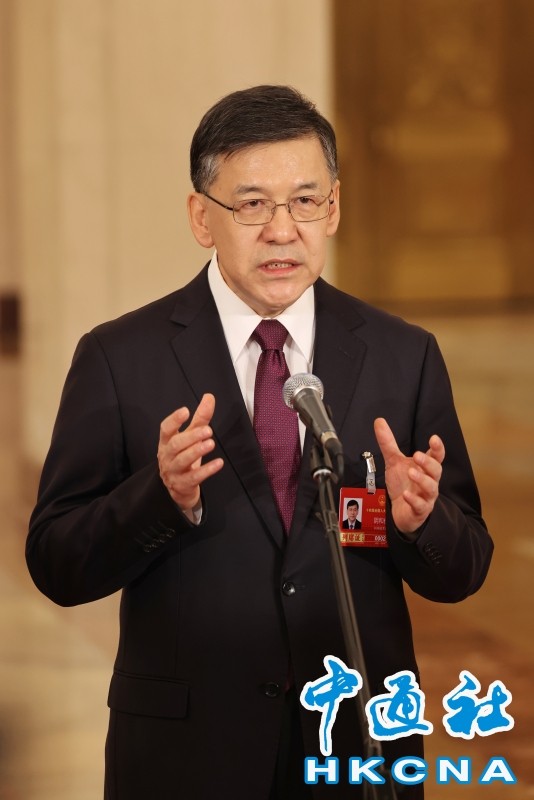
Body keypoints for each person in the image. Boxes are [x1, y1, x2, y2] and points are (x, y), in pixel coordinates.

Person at [26, 85, 493, 800]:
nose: (282, 231)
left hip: (354, 744)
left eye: (305, 201)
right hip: (188, 755)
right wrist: (160, 496)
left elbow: (463, 569)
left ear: (333, 209)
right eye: (252, 205)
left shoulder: (404, 356)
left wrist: (421, 521)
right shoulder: (121, 357)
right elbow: (57, 563)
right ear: (201, 217)